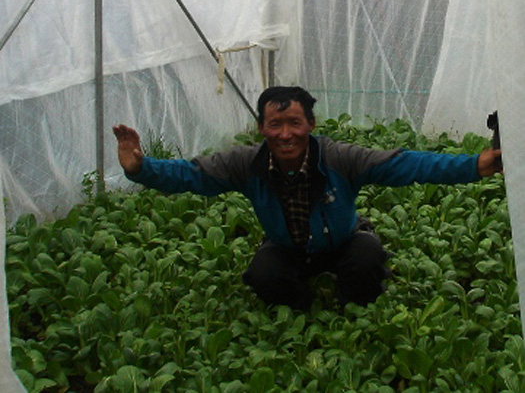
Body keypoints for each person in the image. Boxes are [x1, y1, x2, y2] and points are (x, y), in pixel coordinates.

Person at [113, 86, 502, 311]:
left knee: (366, 261)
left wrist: (474, 165)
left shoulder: (339, 158)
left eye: (294, 123)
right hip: (287, 247)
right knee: (264, 275)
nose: (285, 134)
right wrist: (140, 169)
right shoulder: (245, 164)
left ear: (311, 125)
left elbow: (408, 165)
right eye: (275, 124)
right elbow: (191, 175)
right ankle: (304, 309)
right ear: (262, 128)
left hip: (344, 239)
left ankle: (350, 306)